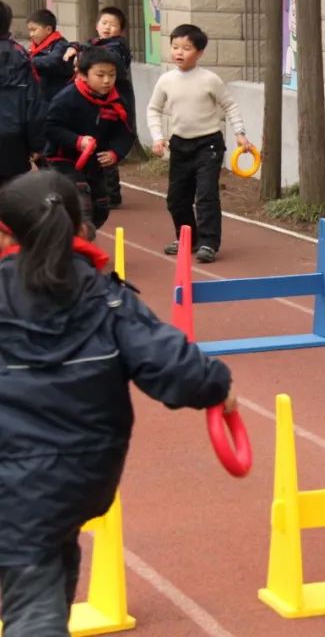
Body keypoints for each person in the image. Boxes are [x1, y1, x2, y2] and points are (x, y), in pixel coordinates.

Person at [0, 170, 235, 637]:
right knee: (49, 566)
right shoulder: (107, 298)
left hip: (16, 481)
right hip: (80, 476)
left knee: (34, 603)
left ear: (6, 235)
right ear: (78, 227)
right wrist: (216, 385)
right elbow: (169, 363)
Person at [146, 23, 249, 264]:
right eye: (175, 47)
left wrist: (240, 133)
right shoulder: (166, 80)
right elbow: (153, 109)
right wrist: (158, 137)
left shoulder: (210, 79)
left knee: (206, 195)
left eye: (186, 48)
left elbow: (230, 105)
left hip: (209, 144)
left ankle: (208, 243)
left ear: (199, 52)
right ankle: (187, 238)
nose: (179, 52)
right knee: (176, 198)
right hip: (179, 145)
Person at [44, 47, 133, 241]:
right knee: (81, 202)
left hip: (94, 163)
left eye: (111, 75)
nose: (107, 81)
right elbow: (50, 127)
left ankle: (73, 239)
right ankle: (74, 246)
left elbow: (126, 133)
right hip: (63, 160)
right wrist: (77, 141)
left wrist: (115, 153)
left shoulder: (117, 101)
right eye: (100, 75)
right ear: (83, 75)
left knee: (100, 208)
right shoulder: (67, 97)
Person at [64, 7, 132, 208]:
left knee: (106, 147)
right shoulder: (94, 44)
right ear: (96, 25)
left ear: (121, 30)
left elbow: (110, 59)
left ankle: (111, 194)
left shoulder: (118, 48)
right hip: (95, 103)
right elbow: (83, 45)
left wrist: (83, 55)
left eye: (113, 25)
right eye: (104, 23)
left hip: (112, 103)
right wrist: (74, 48)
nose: (107, 28)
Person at [0, 0, 44, 187]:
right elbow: (34, 103)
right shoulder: (20, 55)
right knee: (14, 196)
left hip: (13, 138)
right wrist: (36, 144)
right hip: (13, 140)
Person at [26, 9, 73, 103]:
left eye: (34, 30)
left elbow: (52, 61)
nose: (31, 34)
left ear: (48, 29)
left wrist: (28, 61)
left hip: (57, 99)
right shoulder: (33, 49)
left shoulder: (61, 45)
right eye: (29, 30)